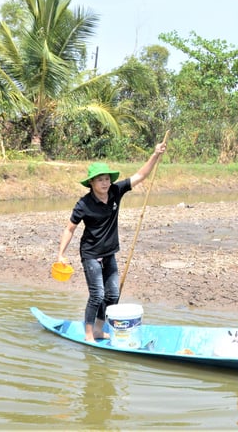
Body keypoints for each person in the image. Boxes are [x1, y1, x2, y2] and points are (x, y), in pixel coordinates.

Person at [57, 142, 167, 342]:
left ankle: (99, 329)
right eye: (100, 180)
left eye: (107, 179)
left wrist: (155, 154)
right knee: (97, 294)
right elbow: (69, 229)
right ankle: (89, 333)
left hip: (109, 253)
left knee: (113, 295)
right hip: (90, 255)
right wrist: (61, 254)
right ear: (91, 183)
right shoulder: (84, 204)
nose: (105, 183)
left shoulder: (116, 191)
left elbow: (140, 176)